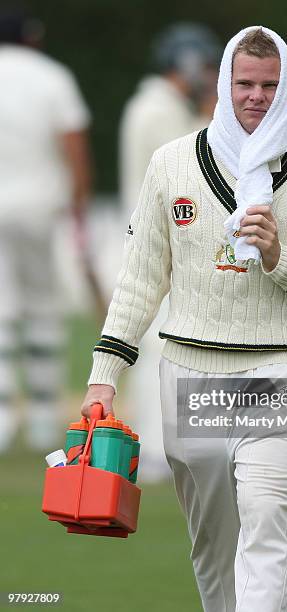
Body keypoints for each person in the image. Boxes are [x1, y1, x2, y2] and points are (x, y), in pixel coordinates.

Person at [82, 26, 287, 612]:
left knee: (265, 520)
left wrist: (281, 260)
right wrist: (103, 376)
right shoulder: (170, 165)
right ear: (223, 83)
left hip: (279, 367)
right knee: (215, 542)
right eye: (244, 83)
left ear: (286, 87)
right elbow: (140, 281)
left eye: (270, 85)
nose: (256, 97)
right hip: (189, 369)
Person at [119, 23, 221, 482]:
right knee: (160, 348)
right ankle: (158, 452)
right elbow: (189, 167)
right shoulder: (156, 110)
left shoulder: (157, 107)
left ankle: (165, 448)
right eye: (203, 65)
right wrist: (210, 117)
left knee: (164, 347)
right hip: (155, 245)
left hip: (157, 243)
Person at [0, 5, 92, 452]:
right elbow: (73, 143)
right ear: (31, 38)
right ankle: (40, 416)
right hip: (39, 206)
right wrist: (79, 204)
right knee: (41, 309)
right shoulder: (52, 76)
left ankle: (2, 419)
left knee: (1, 312)